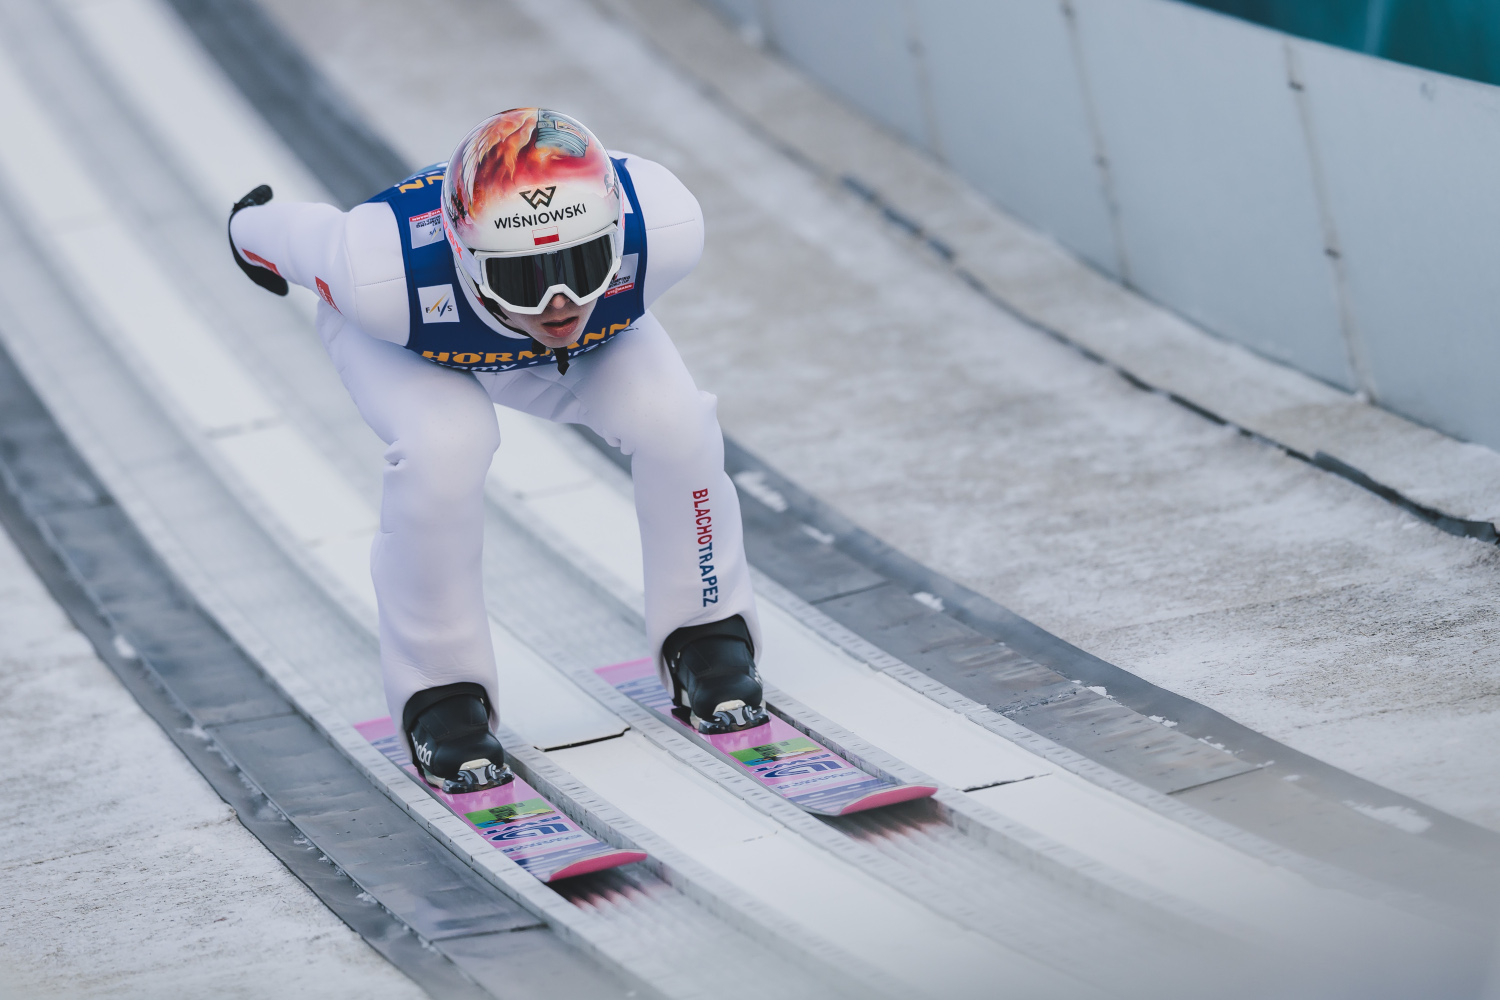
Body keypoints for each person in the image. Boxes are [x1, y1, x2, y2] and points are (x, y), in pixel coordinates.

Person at [227, 108, 765, 792]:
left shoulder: (665, 224)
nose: (557, 301)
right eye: (522, 275)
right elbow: (294, 237)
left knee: (675, 421)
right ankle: (440, 694)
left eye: (581, 262)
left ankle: (707, 632)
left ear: (619, 236)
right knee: (444, 449)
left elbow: (568, 301)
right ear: (463, 254)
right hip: (417, 341)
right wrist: (245, 228)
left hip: (585, 346)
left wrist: (533, 292)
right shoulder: (377, 273)